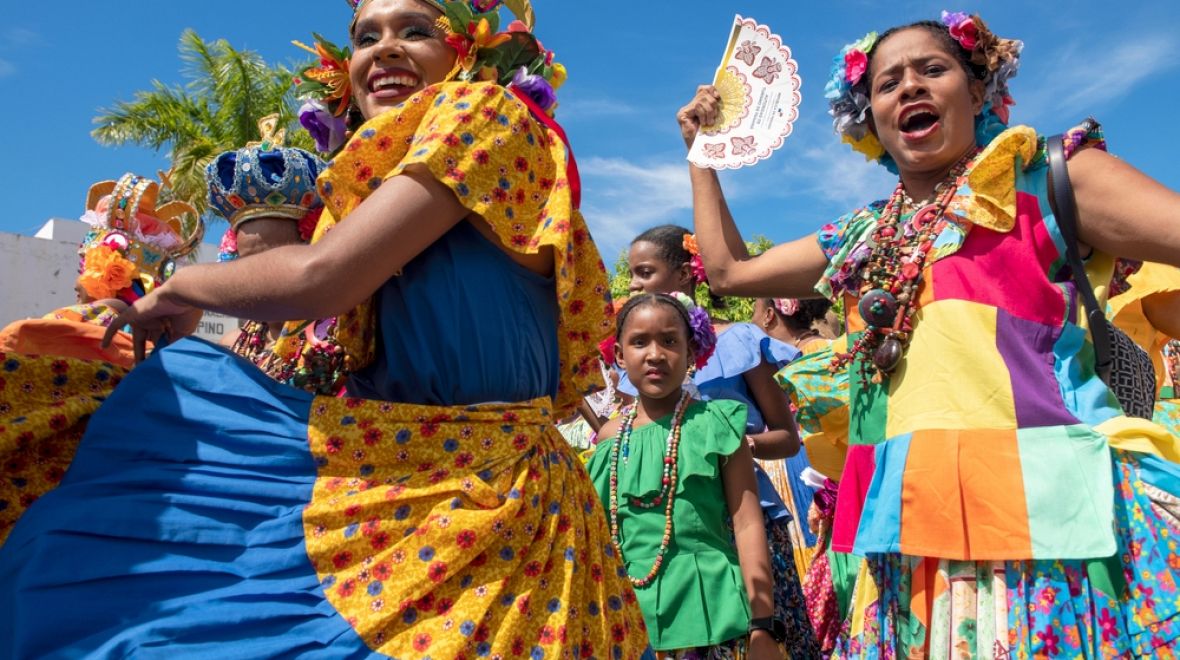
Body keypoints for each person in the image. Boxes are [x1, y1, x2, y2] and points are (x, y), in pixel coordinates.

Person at [0, 1, 653, 657]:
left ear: (468, 54)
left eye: (415, 31)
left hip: (495, 507)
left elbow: (318, 279)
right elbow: (291, 339)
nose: (384, 49)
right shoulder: (366, 193)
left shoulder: (485, 115)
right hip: (405, 489)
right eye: (366, 37)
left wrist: (176, 287)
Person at [679, 9, 1180, 656]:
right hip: (903, 529)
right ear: (873, 120)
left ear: (976, 91)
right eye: (887, 83)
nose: (908, 87)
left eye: (931, 69)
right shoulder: (861, 235)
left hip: (1049, 523)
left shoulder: (1044, 179)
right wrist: (702, 151)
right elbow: (728, 270)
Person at [622, 225, 819, 656]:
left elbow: (787, 437)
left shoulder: (740, 342)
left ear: (687, 273)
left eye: (645, 271)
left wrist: (728, 448)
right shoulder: (639, 360)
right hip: (668, 528)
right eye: (632, 274)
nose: (635, 283)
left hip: (742, 517)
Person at [587, 292, 781, 659]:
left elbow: (747, 524)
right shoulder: (610, 437)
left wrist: (762, 626)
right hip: (624, 620)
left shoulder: (719, 424)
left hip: (709, 613)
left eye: (670, 341)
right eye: (639, 342)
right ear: (619, 355)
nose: (655, 354)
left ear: (692, 353)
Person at [204, 123, 329, 385]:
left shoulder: (342, 334)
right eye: (248, 264)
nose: (260, 277)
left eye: (275, 260)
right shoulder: (232, 348)